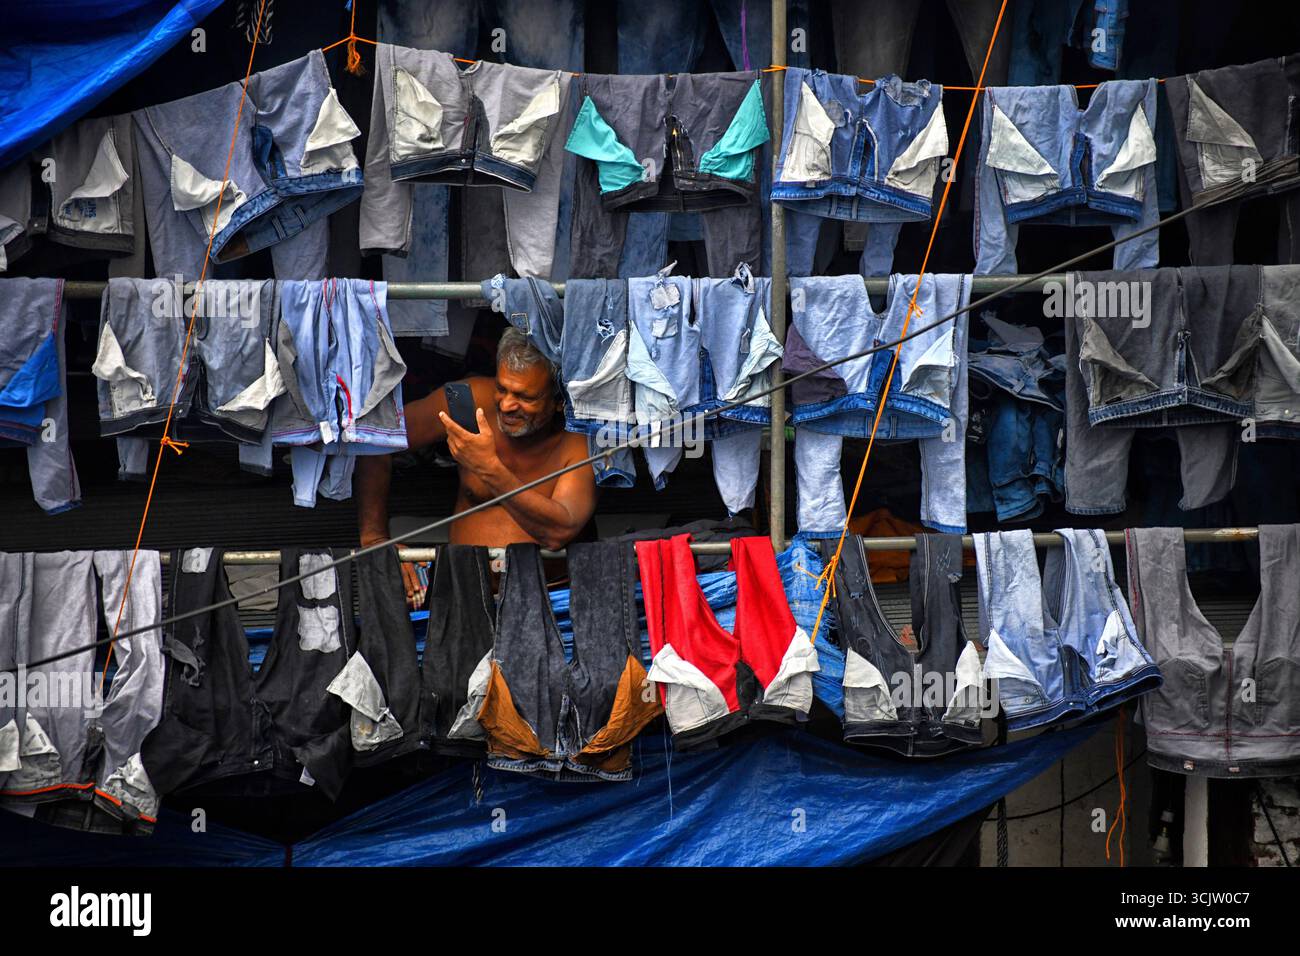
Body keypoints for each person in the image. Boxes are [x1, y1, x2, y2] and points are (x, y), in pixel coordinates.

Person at [356, 328, 597, 606]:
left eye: (525, 397)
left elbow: (558, 532)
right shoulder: (469, 400)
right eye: (502, 388)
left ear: (558, 402)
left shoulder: (579, 436)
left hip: (553, 599)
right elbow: (377, 438)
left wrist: (487, 468)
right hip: (465, 595)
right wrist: (374, 538)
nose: (507, 405)